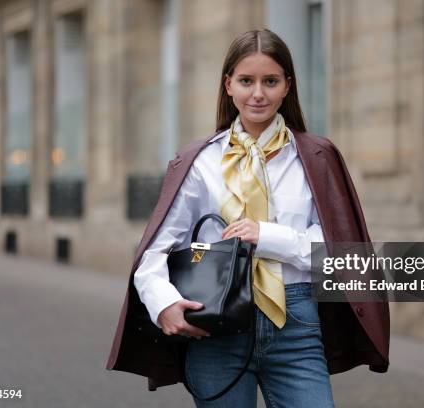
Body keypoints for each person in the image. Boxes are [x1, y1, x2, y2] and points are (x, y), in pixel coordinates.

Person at [106, 29, 390, 407]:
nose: (258, 93)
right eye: (246, 81)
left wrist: (266, 235)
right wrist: (163, 304)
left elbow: (339, 255)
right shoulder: (199, 160)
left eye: (270, 81)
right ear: (228, 85)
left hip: (297, 326)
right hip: (216, 326)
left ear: (288, 85)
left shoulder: (317, 157)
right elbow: (157, 251)